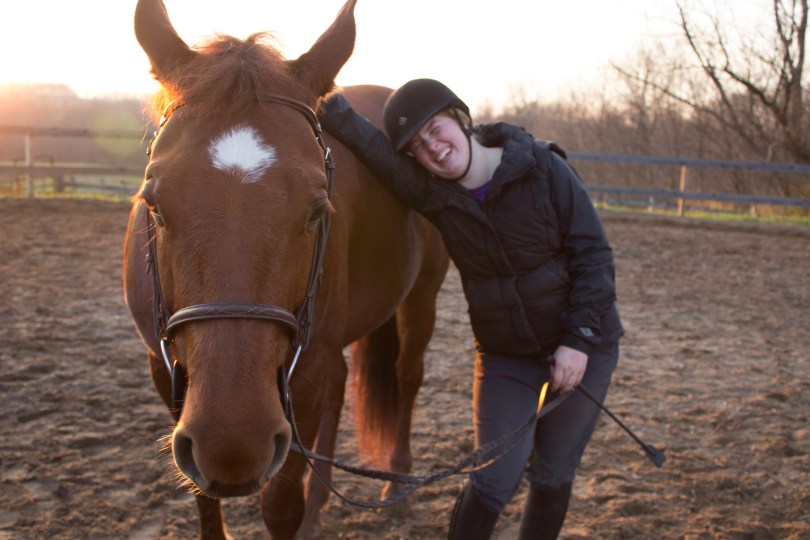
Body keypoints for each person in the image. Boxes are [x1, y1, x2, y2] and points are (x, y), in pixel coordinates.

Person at [319, 79, 624, 540]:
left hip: (586, 348)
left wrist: (578, 341)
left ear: (459, 118)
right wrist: (320, 93)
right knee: (492, 479)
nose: (433, 148)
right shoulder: (436, 196)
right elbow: (374, 149)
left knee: (553, 472)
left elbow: (594, 256)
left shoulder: (544, 167)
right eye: (418, 147)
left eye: (435, 130)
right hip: (506, 359)